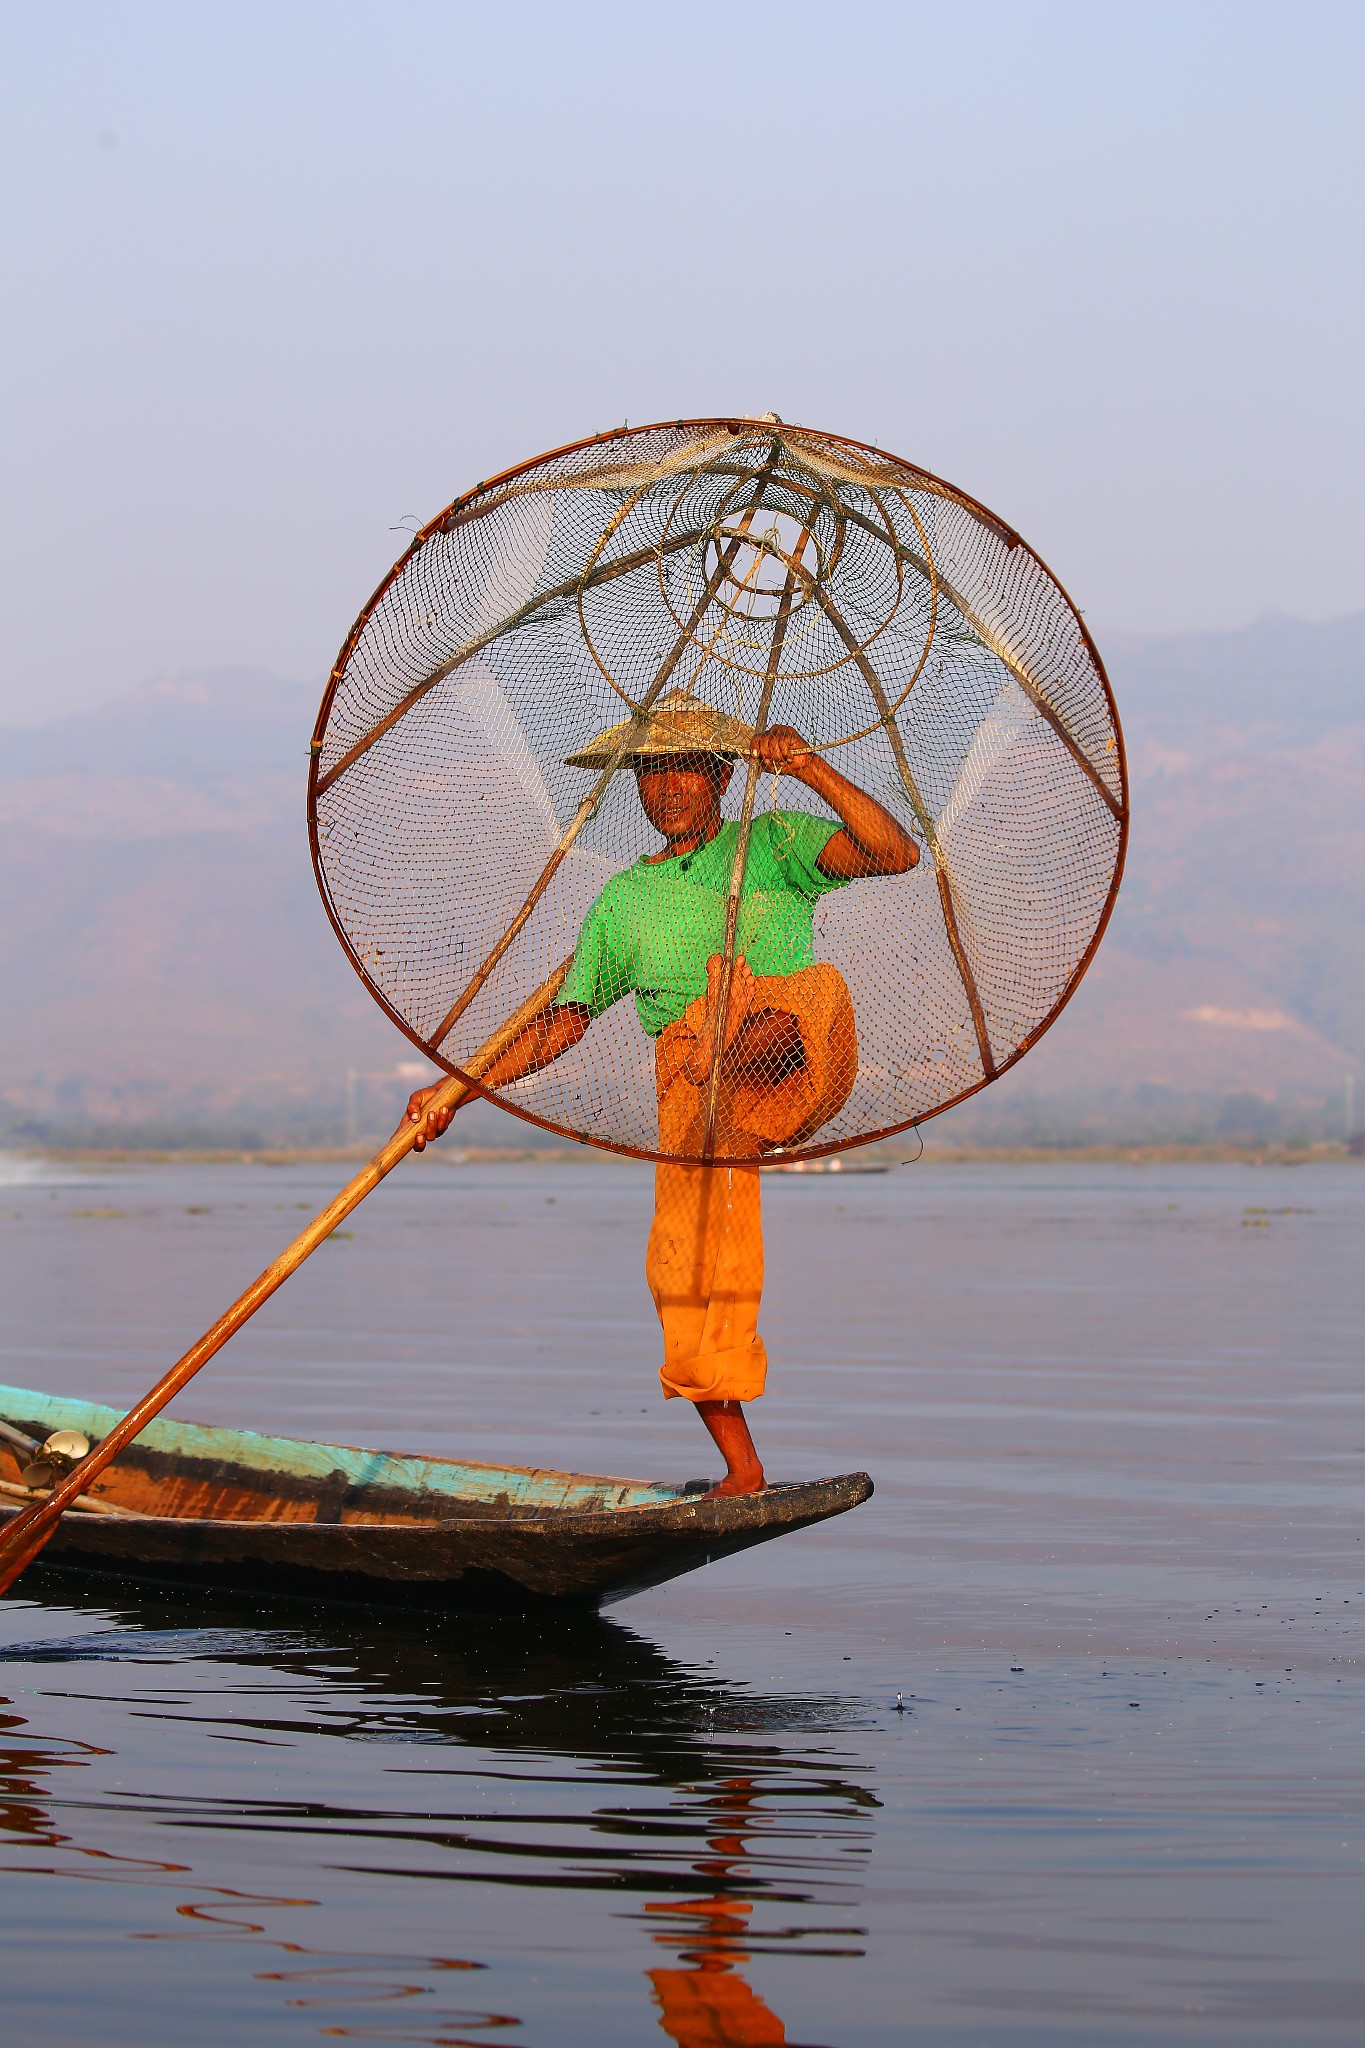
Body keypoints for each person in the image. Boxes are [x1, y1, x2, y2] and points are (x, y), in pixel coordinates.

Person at [406, 689, 917, 1496]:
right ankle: (741, 1470)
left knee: (762, 1006)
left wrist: (807, 766)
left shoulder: (773, 843)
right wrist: (455, 1089)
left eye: (683, 770)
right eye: (650, 774)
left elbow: (894, 854)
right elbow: (562, 1023)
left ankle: (731, 1035)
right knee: (682, 1275)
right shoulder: (623, 901)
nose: (666, 788)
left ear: (718, 776)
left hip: (791, 1042)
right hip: (695, 1093)